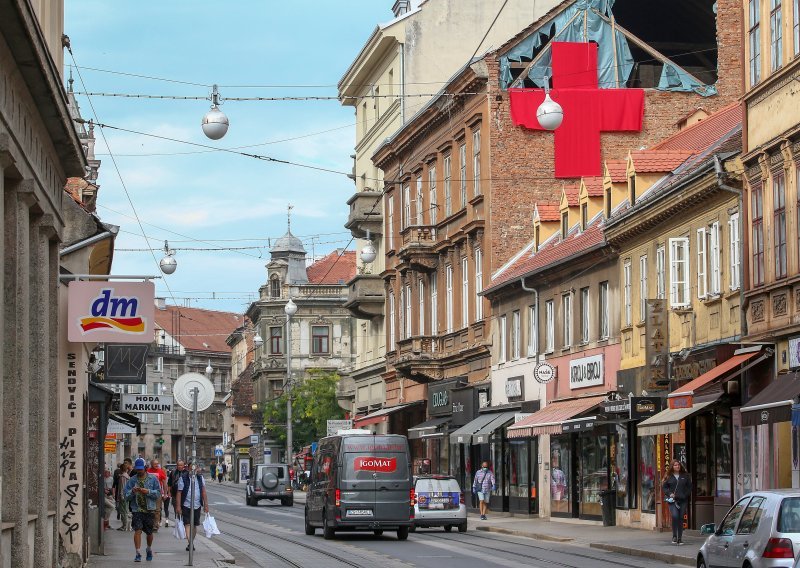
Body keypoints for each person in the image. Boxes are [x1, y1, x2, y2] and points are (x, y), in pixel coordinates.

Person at [123, 457, 162, 562]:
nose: (139, 471)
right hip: (137, 510)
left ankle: (149, 549)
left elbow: (158, 493)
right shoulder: (132, 480)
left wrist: (148, 491)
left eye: (141, 469)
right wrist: (132, 492)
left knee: (149, 533)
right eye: (137, 469)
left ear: (145, 468)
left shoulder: (153, 479)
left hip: (149, 510)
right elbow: (125, 496)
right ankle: (138, 553)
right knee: (138, 530)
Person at [177, 462, 209, 552]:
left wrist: (206, 504)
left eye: (195, 468)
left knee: (194, 525)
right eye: (191, 468)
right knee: (187, 524)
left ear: (197, 468)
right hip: (186, 504)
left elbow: (203, 491)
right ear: (188, 468)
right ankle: (190, 543)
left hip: (197, 505)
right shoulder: (183, 478)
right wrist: (178, 506)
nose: (193, 470)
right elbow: (179, 493)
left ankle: (190, 542)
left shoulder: (200, 478)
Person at [662, 460, 692, 545]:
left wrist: (685, 495)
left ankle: (680, 538)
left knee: (681, 518)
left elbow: (689, 487)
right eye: (675, 465)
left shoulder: (685, 476)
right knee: (675, 516)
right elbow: (664, 487)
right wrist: (670, 493)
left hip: (683, 500)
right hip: (673, 501)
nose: (677, 466)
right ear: (672, 467)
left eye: (678, 465)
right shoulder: (668, 476)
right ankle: (674, 536)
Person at [146, 459, 168, 529]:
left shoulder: (161, 471)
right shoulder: (148, 471)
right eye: (155, 464)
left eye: (157, 464)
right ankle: (150, 523)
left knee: (157, 510)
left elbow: (164, 483)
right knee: (149, 509)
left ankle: (155, 525)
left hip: (158, 494)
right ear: (151, 464)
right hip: (149, 493)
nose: (157, 465)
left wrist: (165, 494)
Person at [118, 462, 132, 531]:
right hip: (126, 495)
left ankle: (125, 526)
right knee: (125, 511)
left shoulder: (123, 477)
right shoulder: (127, 476)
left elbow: (123, 487)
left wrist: (122, 496)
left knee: (123, 511)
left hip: (123, 496)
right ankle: (125, 525)